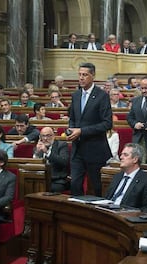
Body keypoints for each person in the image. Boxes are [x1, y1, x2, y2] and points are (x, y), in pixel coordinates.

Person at [66, 62, 112, 196]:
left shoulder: (102, 96)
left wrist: (82, 131)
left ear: (93, 76)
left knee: (96, 187)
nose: (81, 78)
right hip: (77, 149)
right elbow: (73, 118)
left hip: (95, 149)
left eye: (84, 75)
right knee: (75, 184)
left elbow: (107, 123)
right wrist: (71, 129)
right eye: (79, 75)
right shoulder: (76, 95)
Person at [105, 143, 147, 211]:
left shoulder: (146, 180)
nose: (121, 157)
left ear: (135, 159)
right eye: (121, 154)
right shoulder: (117, 176)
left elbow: (146, 207)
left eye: (125, 155)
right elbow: (107, 198)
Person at [33, 127, 69, 192]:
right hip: (41, 179)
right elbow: (33, 165)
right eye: (43, 136)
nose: (45, 138)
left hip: (56, 180)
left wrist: (47, 152)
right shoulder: (38, 146)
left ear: (54, 135)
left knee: (51, 188)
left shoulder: (61, 145)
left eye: (48, 135)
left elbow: (64, 162)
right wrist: (36, 153)